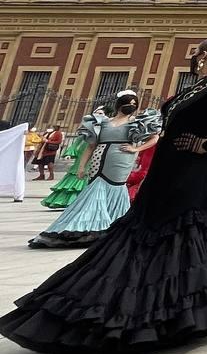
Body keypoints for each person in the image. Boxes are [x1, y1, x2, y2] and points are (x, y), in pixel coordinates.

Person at [0, 28, 207, 354]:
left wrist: (206, 145)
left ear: (204, 57)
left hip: (188, 176)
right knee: (165, 230)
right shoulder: (199, 88)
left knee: (175, 229)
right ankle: (199, 301)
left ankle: (179, 307)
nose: (192, 57)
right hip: (169, 172)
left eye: (195, 53)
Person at [30, 91, 162, 248]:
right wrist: (81, 166)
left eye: (134, 104)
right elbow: (90, 146)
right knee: (94, 189)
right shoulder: (102, 122)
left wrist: (136, 148)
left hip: (121, 161)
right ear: (119, 104)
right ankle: (84, 228)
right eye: (128, 102)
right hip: (98, 158)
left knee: (116, 190)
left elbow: (154, 137)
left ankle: (114, 227)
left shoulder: (136, 123)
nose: (131, 106)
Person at [38, 127, 89, 209]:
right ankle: (67, 200)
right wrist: (70, 152)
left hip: (97, 153)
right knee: (78, 172)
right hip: (83, 152)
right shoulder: (86, 130)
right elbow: (77, 142)